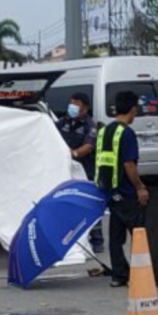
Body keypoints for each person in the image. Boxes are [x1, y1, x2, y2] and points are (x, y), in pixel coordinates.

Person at [94, 91, 148, 287]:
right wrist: (140, 188)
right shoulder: (127, 133)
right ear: (133, 109)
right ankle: (142, 274)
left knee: (115, 238)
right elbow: (129, 165)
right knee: (139, 235)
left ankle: (119, 275)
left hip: (110, 192)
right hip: (127, 193)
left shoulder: (103, 132)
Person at [55, 92, 104, 253]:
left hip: (86, 171)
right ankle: (71, 239)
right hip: (65, 171)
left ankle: (97, 239)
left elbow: (89, 146)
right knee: (68, 203)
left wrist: (72, 154)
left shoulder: (91, 125)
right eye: (71, 103)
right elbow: (51, 136)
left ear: (85, 107)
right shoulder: (62, 122)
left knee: (89, 204)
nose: (72, 107)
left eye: (76, 103)